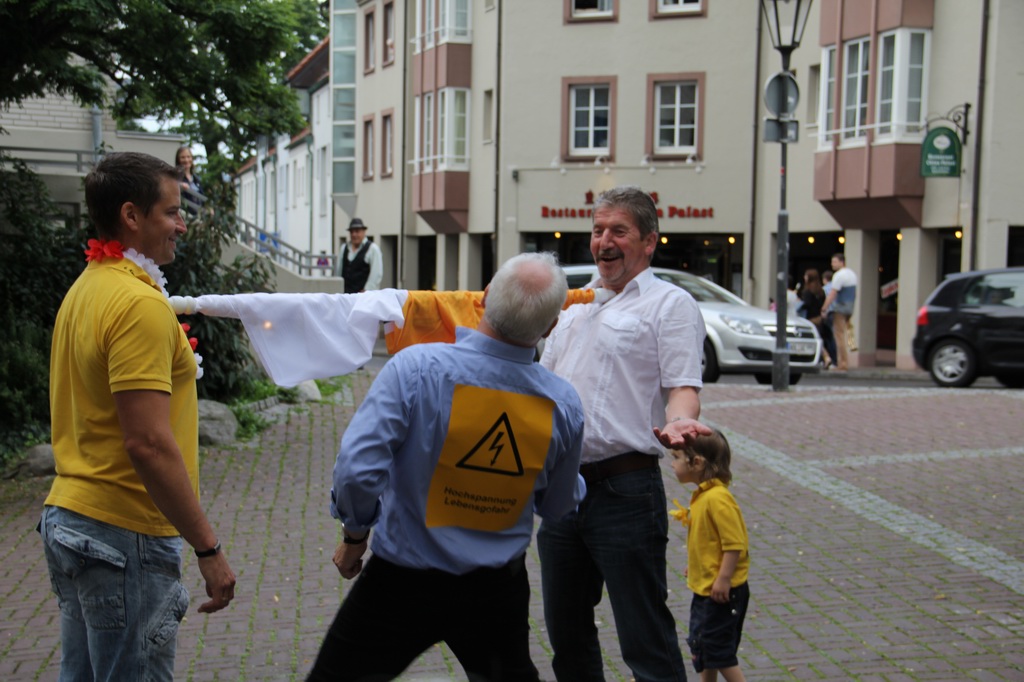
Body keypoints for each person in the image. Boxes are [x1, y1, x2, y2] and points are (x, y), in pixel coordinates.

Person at [307, 252, 587, 682]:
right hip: (495, 591)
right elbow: (557, 506)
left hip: (400, 583)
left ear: (485, 297)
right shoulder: (562, 404)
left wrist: (354, 535)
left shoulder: (416, 368)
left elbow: (357, 471)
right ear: (550, 327)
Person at [39, 152, 236, 681]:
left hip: (72, 519)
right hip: (124, 534)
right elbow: (147, 443)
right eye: (172, 211)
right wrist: (208, 547)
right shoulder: (138, 305)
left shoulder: (86, 288)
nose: (182, 224)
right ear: (131, 215)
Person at [538, 185, 712, 682]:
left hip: (626, 489)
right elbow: (543, 384)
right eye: (598, 230)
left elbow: (682, 387)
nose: (604, 241)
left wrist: (679, 421)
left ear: (649, 241)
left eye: (619, 230)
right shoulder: (574, 304)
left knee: (645, 640)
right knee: (567, 639)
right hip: (561, 491)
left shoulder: (670, 304)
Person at [667, 429, 750, 682]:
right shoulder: (704, 496)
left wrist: (724, 578)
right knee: (704, 646)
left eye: (676, 457)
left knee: (717, 649)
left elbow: (734, 544)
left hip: (721, 592)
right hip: (707, 587)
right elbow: (709, 542)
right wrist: (697, 566)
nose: (672, 463)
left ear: (697, 462)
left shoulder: (717, 499)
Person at [821, 253, 858, 371]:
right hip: (850, 307)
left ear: (842, 262)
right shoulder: (852, 274)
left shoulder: (838, 275)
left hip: (840, 308)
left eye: (835, 262)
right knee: (845, 333)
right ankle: (845, 360)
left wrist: (824, 308)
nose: (832, 264)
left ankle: (842, 363)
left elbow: (832, 294)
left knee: (839, 336)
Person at [340, 217, 383, 293]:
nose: (354, 234)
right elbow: (339, 271)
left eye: (357, 231)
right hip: (345, 295)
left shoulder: (372, 249)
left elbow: (376, 274)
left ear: (363, 232)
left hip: (363, 296)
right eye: (352, 232)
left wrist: (367, 291)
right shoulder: (344, 248)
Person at [801, 268, 834, 368]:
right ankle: (824, 358)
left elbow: (806, 304)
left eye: (806, 276)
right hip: (819, 318)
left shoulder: (807, 291)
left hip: (809, 319)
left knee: (812, 338)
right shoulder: (821, 291)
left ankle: (825, 357)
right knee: (818, 337)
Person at [174, 146, 204, 214]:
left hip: (198, 214)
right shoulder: (176, 176)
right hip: (184, 214)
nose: (186, 160)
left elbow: (202, 196)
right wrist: (179, 185)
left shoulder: (196, 179)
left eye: (188, 157)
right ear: (178, 160)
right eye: (183, 157)